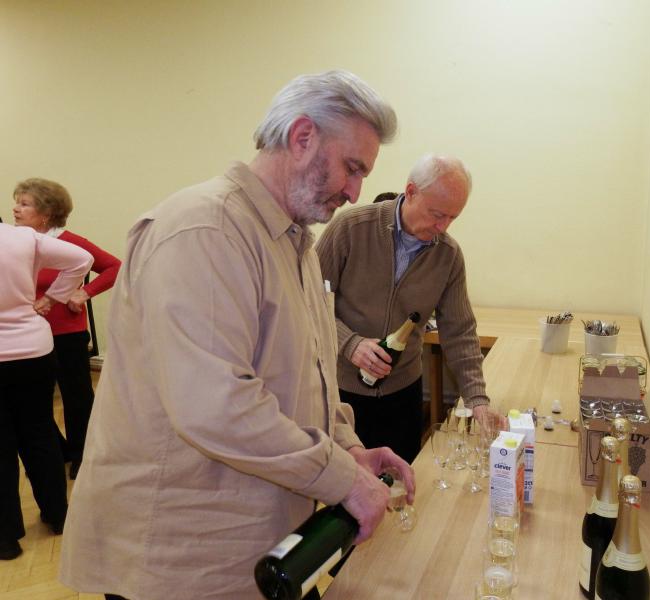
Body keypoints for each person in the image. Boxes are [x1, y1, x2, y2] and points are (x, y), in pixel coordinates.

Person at [59, 70, 414, 600]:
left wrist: (348, 450)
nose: (355, 191)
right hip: (182, 561)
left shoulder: (294, 244)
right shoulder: (206, 230)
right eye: (352, 167)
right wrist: (343, 479)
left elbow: (308, 376)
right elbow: (215, 405)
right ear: (302, 137)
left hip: (258, 546)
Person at [316, 154, 501, 463]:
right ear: (411, 191)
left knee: (401, 479)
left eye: (452, 218)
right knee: (345, 480)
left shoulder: (448, 255)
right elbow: (306, 301)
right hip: (340, 393)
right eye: (437, 214)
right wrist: (350, 344)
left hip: (403, 395)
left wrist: (477, 400)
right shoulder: (350, 228)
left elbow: (460, 333)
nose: (442, 226)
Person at [13, 178, 122, 479]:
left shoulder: (71, 242)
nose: (16, 209)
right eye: (16, 203)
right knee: (31, 399)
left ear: (46, 212)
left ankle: (82, 453)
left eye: (24, 204)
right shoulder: (17, 243)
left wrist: (84, 293)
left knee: (76, 397)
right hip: (29, 335)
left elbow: (115, 267)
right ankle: (59, 450)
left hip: (67, 334)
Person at [0, 222, 93, 560]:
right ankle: (58, 515)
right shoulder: (24, 237)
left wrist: (51, 296)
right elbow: (82, 259)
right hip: (33, 349)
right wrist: (53, 297)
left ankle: (6, 537)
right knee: (39, 432)